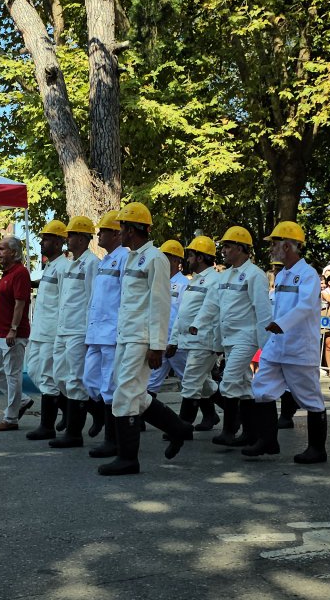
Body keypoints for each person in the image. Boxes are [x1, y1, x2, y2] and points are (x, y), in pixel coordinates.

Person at [97, 202, 192, 476]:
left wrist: (156, 346)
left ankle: (128, 459)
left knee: (125, 394)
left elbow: (160, 305)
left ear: (133, 229)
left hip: (142, 339)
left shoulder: (156, 258)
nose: (120, 233)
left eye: (123, 227)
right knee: (135, 395)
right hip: (125, 336)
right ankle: (179, 428)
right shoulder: (130, 258)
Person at [245, 222, 329, 463]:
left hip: (298, 347)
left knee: (310, 398)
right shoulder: (281, 275)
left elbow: (305, 306)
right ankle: (268, 440)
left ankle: (317, 449)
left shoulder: (308, 274)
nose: (271, 249)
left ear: (288, 245)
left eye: (274, 244)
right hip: (276, 345)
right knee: (261, 388)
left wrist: (282, 324)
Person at [192, 226, 271, 447]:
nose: (223, 250)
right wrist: (197, 323)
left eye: (227, 246)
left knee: (229, 381)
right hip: (228, 337)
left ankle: (229, 430)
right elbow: (211, 304)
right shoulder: (224, 276)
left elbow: (263, 310)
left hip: (246, 337)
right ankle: (250, 433)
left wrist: (266, 345)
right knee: (244, 385)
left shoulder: (255, 275)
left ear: (240, 247)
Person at [47, 216, 99, 449]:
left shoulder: (92, 263)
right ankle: (99, 413)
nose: (67, 239)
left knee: (75, 379)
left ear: (82, 237)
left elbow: (92, 299)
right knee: (59, 377)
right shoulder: (70, 264)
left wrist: (90, 333)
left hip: (79, 330)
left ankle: (74, 433)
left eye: (70, 235)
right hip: (63, 328)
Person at [84, 210, 129, 458]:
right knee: (90, 382)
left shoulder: (124, 258)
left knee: (110, 388)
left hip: (112, 333)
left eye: (102, 231)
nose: (98, 235)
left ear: (116, 233)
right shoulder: (104, 261)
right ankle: (104, 422)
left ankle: (112, 440)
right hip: (96, 333)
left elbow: (124, 298)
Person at [24, 220, 71, 441]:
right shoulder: (50, 266)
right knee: (34, 370)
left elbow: (64, 302)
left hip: (52, 331)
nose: (43, 242)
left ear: (60, 242)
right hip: (39, 329)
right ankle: (71, 411)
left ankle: (47, 425)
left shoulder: (64, 266)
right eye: (43, 238)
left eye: (48, 238)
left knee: (47, 376)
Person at [171, 235, 223, 431]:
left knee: (191, 381)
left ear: (201, 258)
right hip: (190, 341)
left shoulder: (214, 280)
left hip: (205, 341)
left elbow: (212, 312)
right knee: (204, 385)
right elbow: (183, 313)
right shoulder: (194, 281)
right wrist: (174, 341)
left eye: (191, 255)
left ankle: (181, 428)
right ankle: (233, 415)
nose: (188, 260)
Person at [0, 236, 34, 431]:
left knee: (13, 375)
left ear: (14, 252)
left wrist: (13, 329)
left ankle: (11, 418)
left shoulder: (21, 273)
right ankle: (22, 400)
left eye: (2, 249)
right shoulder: (6, 273)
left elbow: (20, 303)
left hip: (12, 334)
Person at [147, 240, 190, 397]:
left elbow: (183, 314)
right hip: (160, 342)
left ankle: (213, 412)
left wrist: (175, 341)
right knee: (150, 383)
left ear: (175, 260)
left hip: (177, 344)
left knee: (192, 380)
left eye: (165, 256)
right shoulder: (157, 281)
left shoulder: (184, 284)